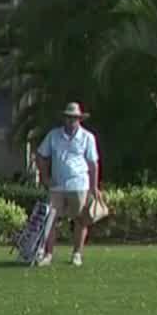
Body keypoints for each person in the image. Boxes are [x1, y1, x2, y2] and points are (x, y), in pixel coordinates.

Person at [34, 101, 102, 267]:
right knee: (51, 219)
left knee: (80, 220)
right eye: (69, 118)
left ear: (79, 119)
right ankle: (48, 254)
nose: (71, 121)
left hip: (79, 184)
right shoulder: (53, 135)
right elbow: (41, 155)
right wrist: (45, 177)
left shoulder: (87, 137)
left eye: (74, 118)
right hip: (57, 186)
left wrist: (94, 187)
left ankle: (77, 253)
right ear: (64, 119)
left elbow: (93, 164)